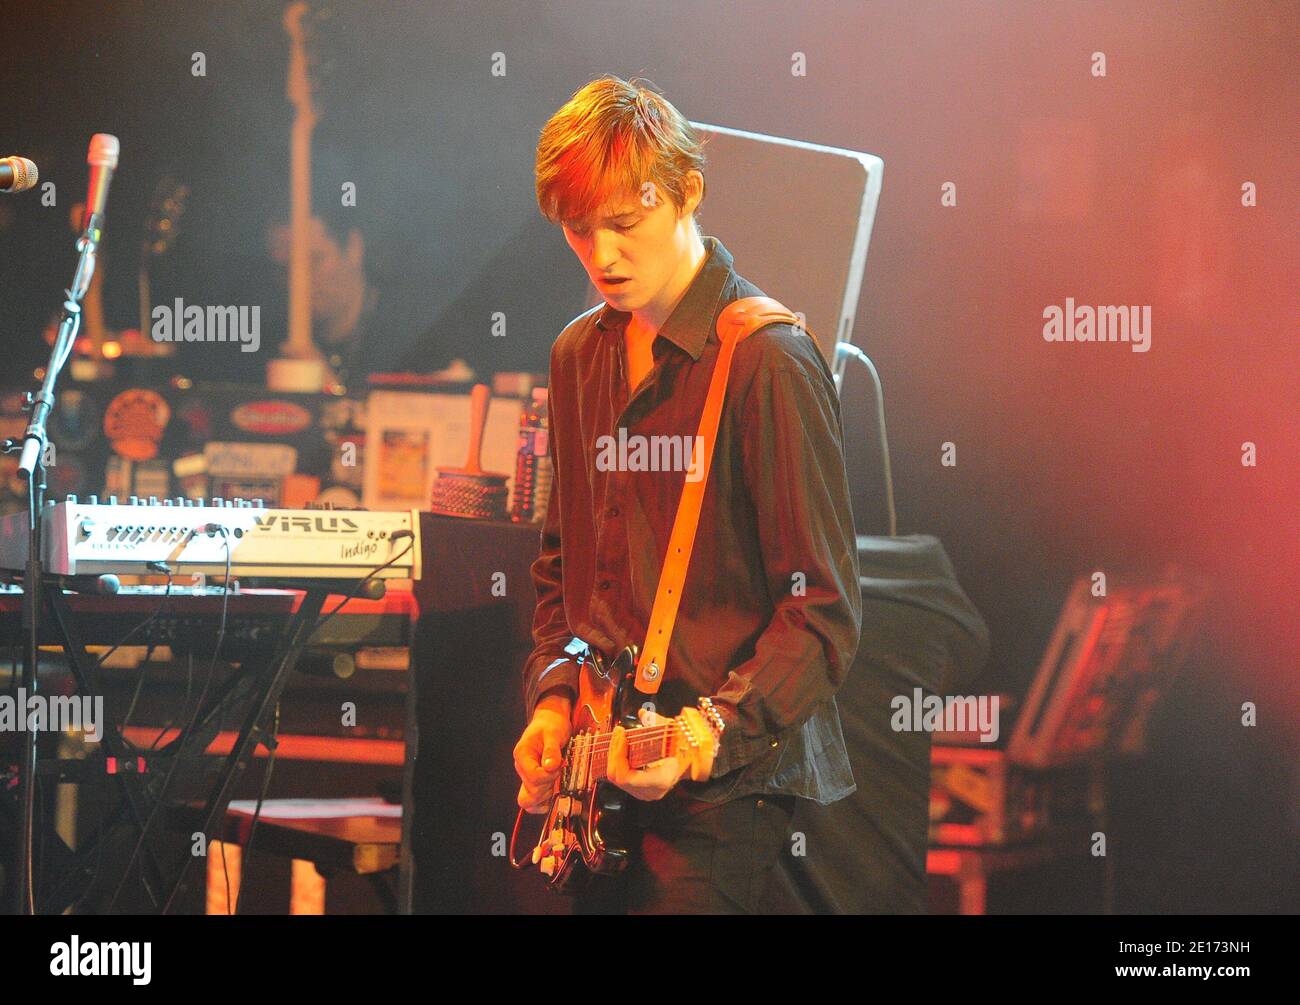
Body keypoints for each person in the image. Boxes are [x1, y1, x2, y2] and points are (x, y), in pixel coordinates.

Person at [513, 76, 863, 914]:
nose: (602, 256)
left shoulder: (768, 358)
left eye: (625, 225)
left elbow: (823, 610)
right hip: (597, 776)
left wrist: (708, 733)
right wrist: (554, 698)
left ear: (687, 194)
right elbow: (566, 572)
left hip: (724, 792)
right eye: (578, 230)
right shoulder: (576, 355)